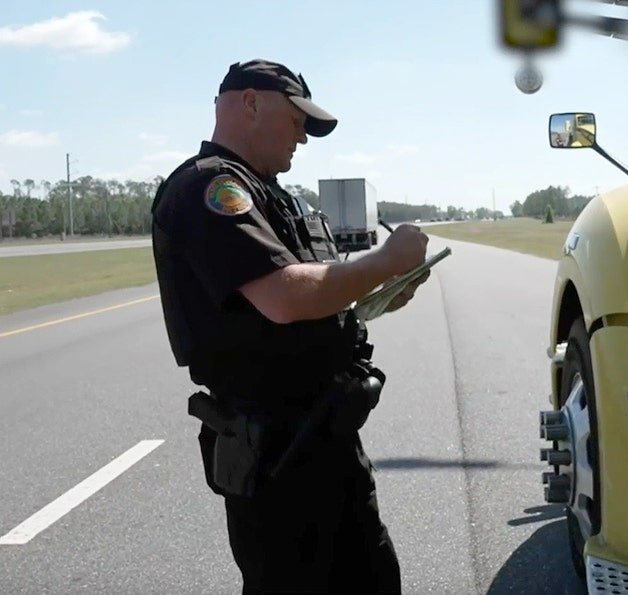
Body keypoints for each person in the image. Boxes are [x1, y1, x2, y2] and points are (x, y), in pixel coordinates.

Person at [149, 58, 430, 593]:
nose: (303, 136)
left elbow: (313, 294)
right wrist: (386, 261)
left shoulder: (274, 196)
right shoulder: (211, 189)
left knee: (373, 579)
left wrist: (377, 295)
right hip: (279, 458)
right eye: (298, 118)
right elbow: (282, 296)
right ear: (251, 103)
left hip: (328, 439)